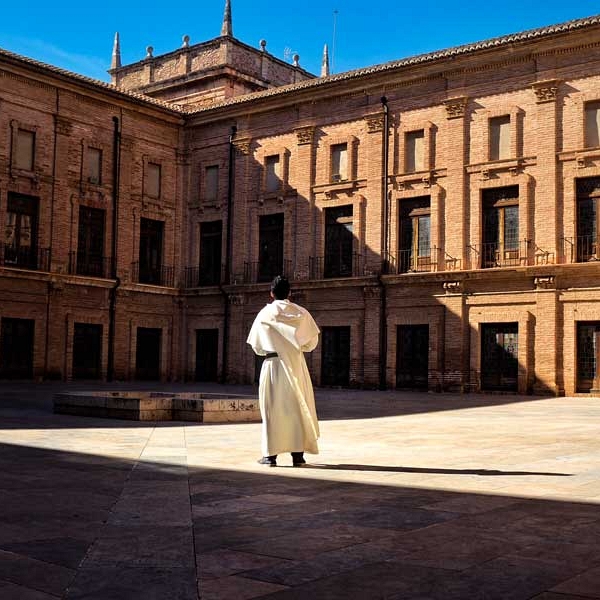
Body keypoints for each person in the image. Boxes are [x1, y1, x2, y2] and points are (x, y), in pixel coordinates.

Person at [247, 275, 320, 467]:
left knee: (272, 409)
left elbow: (257, 347)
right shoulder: (301, 313)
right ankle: (298, 455)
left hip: (272, 365)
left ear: (271, 293)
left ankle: (270, 456)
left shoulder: (265, 313)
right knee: (297, 407)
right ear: (289, 293)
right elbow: (311, 343)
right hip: (296, 364)